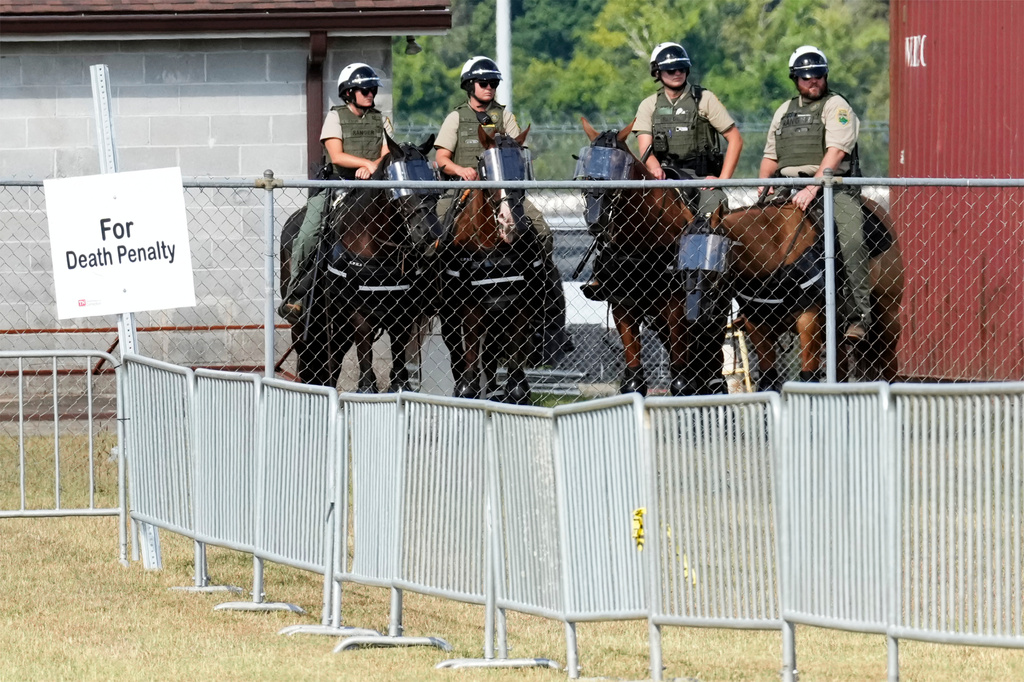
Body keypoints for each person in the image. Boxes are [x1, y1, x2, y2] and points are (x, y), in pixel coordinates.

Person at [434, 56, 573, 364]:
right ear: (470, 85)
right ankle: (431, 291)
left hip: (503, 191)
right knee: (435, 233)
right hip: (464, 187)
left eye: (494, 83)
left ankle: (544, 295)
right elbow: (441, 158)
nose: (490, 88)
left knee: (542, 231)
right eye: (485, 83)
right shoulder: (456, 118)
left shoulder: (504, 116)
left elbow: (517, 150)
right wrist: (461, 170)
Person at [759, 45, 868, 341]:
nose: (813, 82)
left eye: (818, 76)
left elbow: (836, 152)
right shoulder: (784, 110)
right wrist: (763, 183)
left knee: (853, 240)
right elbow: (771, 155)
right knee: (754, 236)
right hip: (785, 187)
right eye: (806, 77)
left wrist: (812, 187)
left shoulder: (837, 106)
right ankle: (756, 308)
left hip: (832, 188)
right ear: (795, 79)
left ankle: (857, 315)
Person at [280, 62, 394, 322]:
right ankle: (296, 294)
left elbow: (389, 151)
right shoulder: (335, 117)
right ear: (348, 93)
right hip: (339, 185)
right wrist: (366, 164)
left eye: (372, 89)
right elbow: (337, 155)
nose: (370, 94)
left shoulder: (381, 119)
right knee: (308, 233)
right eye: (363, 89)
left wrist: (374, 168)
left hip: (375, 187)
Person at [634, 42, 743, 216]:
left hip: (700, 178)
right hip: (665, 177)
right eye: (671, 70)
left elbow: (735, 139)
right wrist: (655, 168)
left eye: (682, 69)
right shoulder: (649, 105)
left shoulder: (705, 99)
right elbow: (645, 148)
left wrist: (723, 179)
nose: (678, 73)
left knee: (714, 210)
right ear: (657, 72)